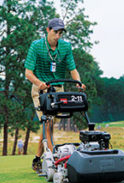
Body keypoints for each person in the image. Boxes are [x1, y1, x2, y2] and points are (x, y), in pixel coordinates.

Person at [24, 18, 86, 172]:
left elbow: (72, 69)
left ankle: (38, 158)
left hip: (58, 91)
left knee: (49, 126)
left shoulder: (66, 47)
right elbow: (28, 73)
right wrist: (39, 83)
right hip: (41, 90)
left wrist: (78, 82)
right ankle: (55, 159)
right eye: (55, 32)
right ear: (47, 30)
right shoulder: (36, 46)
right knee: (48, 124)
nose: (57, 36)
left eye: (60, 33)